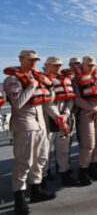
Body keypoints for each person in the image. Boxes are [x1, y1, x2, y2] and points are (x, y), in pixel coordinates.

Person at [3, 50, 56, 215]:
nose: (34, 62)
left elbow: (49, 99)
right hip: (24, 124)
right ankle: (19, 199)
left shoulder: (37, 76)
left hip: (40, 124)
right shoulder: (13, 79)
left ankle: (36, 191)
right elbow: (18, 103)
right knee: (23, 162)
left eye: (35, 60)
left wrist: (49, 85)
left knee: (40, 159)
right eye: (30, 59)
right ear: (21, 60)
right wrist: (33, 86)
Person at [71, 56, 97, 185]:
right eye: (88, 65)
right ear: (83, 65)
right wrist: (93, 110)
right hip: (86, 114)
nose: (91, 67)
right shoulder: (76, 80)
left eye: (93, 65)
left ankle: (93, 166)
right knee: (88, 144)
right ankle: (83, 172)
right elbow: (77, 99)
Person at [42, 56, 78, 187]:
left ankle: (64, 174)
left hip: (64, 118)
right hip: (48, 122)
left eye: (60, 65)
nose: (58, 67)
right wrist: (59, 118)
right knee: (44, 153)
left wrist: (66, 114)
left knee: (63, 149)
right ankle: (42, 180)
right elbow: (47, 103)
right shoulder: (42, 80)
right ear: (47, 65)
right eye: (55, 65)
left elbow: (70, 98)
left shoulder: (64, 79)